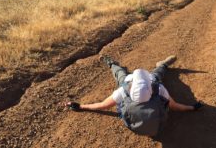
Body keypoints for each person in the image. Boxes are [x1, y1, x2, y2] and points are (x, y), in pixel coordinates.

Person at [65, 55, 203, 136]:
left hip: (134, 125)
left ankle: (111, 63)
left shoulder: (123, 91)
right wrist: (192, 107)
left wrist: (81, 106)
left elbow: (102, 105)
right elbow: (176, 106)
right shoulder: (158, 89)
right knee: (158, 73)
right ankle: (164, 65)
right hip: (157, 126)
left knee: (120, 74)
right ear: (149, 85)